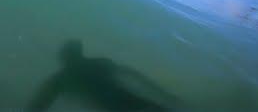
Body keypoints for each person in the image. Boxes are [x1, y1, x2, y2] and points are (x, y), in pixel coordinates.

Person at [28, 40, 177, 112]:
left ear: (63, 58)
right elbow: (134, 74)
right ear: (80, 52)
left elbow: (38, 105)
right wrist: (164, 93)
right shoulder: (99, 63)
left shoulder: (61, 79)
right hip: (137, 103)